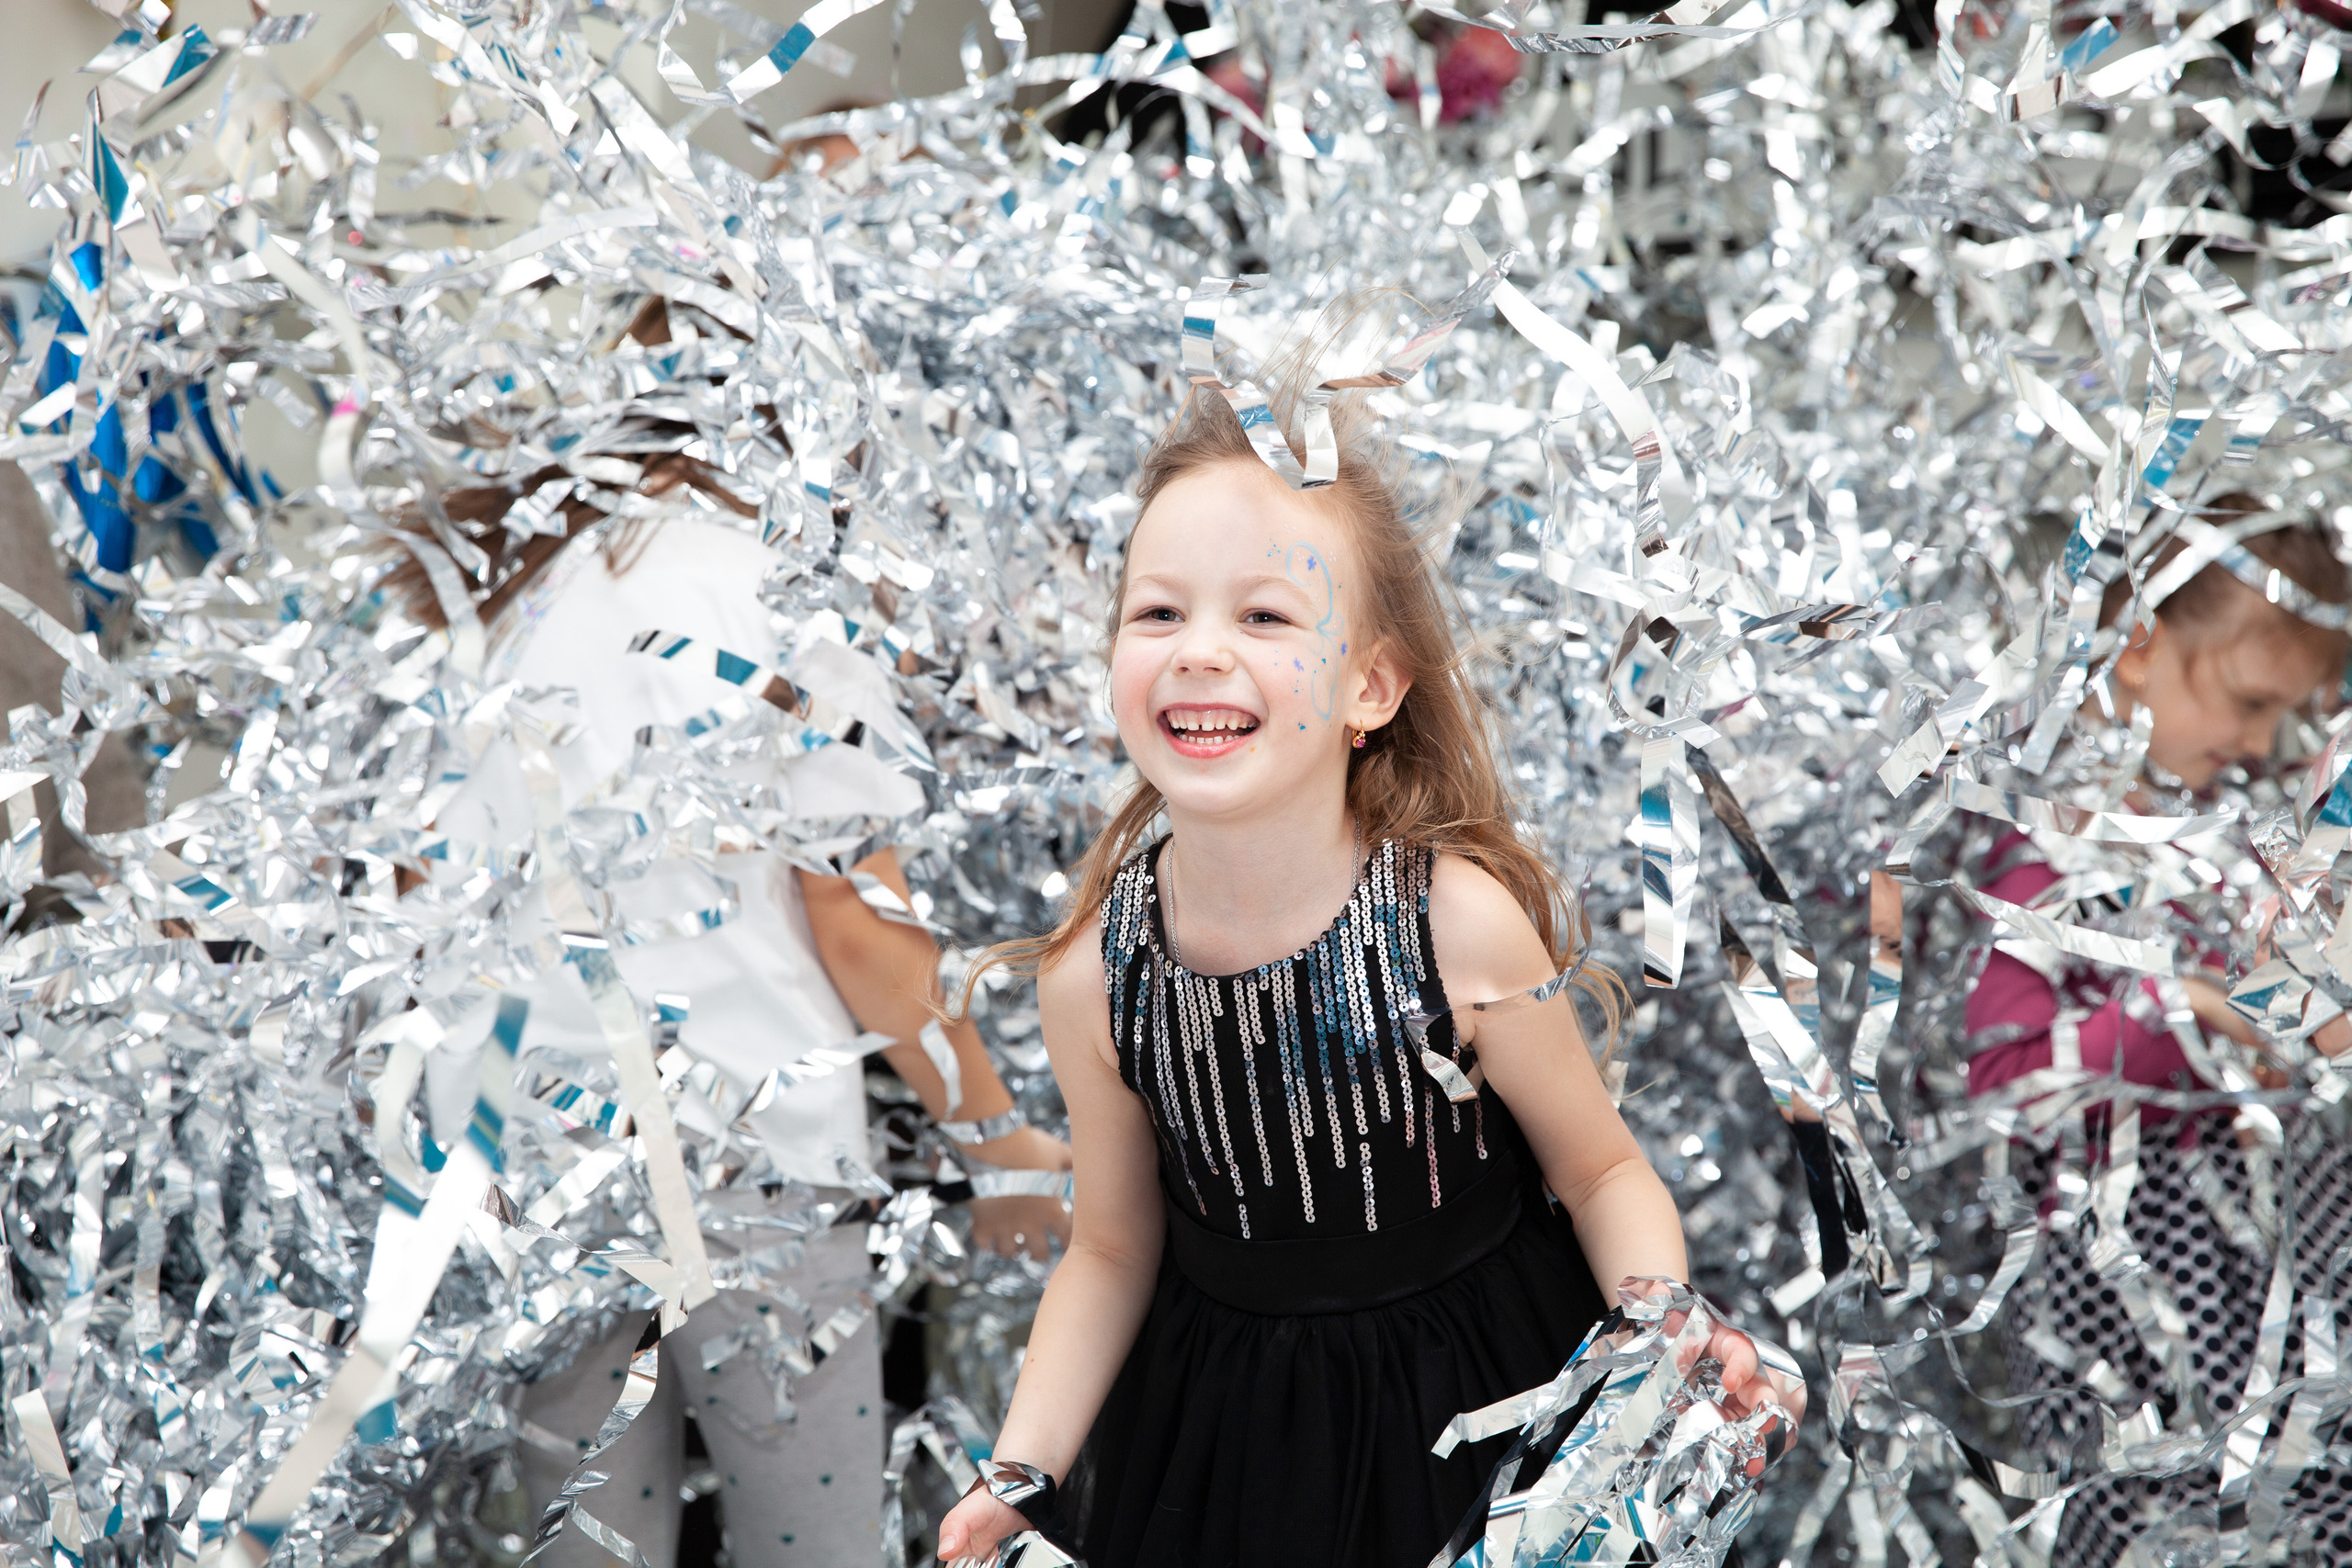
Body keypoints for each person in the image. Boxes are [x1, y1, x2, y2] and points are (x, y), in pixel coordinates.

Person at [933, 314, 1792, 1568]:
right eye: (1158, 609)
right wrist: (1023, 1467)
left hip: (1478, 1400)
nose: (1202, 649)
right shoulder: (1096, 976)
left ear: (1371, 690)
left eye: (1267, 616)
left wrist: (1648, 1355)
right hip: (1229, 1436)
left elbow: (1602, 1173)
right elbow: (1113, 1244)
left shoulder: (1454, 923)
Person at [387, 442, 1072, 1566]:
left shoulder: (513, 575)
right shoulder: (788, 591)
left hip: (523, 1155)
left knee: (588, 1543)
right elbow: (857, 922)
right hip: (751, 1160)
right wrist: (997, 1141)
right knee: (814, 1539)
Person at [1962, 497, 2352, 1566]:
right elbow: (2000, 1079)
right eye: (2246, 699)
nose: (2259, 741)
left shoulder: (2235, 829)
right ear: (2137, 648)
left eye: (2289, 714)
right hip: (2125, 1295)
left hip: (2283, 1267)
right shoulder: (2048, 841)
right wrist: (2185, 1010)